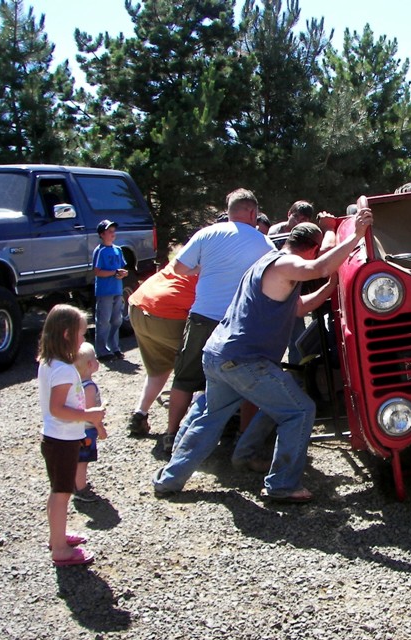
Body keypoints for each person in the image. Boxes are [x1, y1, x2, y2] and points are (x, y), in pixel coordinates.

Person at [152, 204, 374, 502]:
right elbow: (319, 267)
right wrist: (355, 236)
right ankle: (282, 485)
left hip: (220, 355)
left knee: (212, 418)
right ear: (310, 249)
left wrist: (329, 288)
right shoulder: (286, 264)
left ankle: (170, 480)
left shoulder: (266, 264)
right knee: (300, 410)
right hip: (244, 360)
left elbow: (297, 308)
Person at [164, 189, 274, 452]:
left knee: (184, 379)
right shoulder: (264, 244)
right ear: (252, 212)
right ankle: (242, 436)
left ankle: (170, 435)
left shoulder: (206, 234)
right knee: (248, 381)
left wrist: (203, 268)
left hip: (203, 316)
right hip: (239, 323)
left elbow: (178, 269)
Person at [37, 304, 105, 566]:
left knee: (57, 491)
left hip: (54, 438)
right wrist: (90, 415)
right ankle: (60, 550)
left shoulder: (49, 363)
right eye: (81, 333)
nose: (83, 339)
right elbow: (57, 408)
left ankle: (57, 537)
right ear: (67, 334)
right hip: (62, 440)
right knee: (62, 493)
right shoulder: (65, 370)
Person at [126, 260, 198, 447]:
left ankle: (139, 414)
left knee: (157, 368)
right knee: (193, 370)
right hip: (168, 313)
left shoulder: (186, 261)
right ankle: (175, 432)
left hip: (138, 305)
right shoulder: (213, 270)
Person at [73, 342, 108, 503]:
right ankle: (80, 488)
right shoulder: (89, 387)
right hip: (86, 430)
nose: (97, 361)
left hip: (74, 427)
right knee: (83, 460)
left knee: (76, 458)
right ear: (89, 365)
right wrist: (100, 429)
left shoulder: (74, 384)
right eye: (94, 359)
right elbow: (90, 413)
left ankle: (75, 483)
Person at [93, 219, 128, 361]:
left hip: (117, 290)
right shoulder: (100, 251)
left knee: (116, 320)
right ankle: (101, 351)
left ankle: (114, 348)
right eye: (109, 231)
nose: (113, 234)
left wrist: (123, 274)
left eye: (114, 231)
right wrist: (114, 273)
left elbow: (122, 268)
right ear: (102, 234)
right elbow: (97, 271)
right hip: (104, 291)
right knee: (103, 321)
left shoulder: (118, 250)